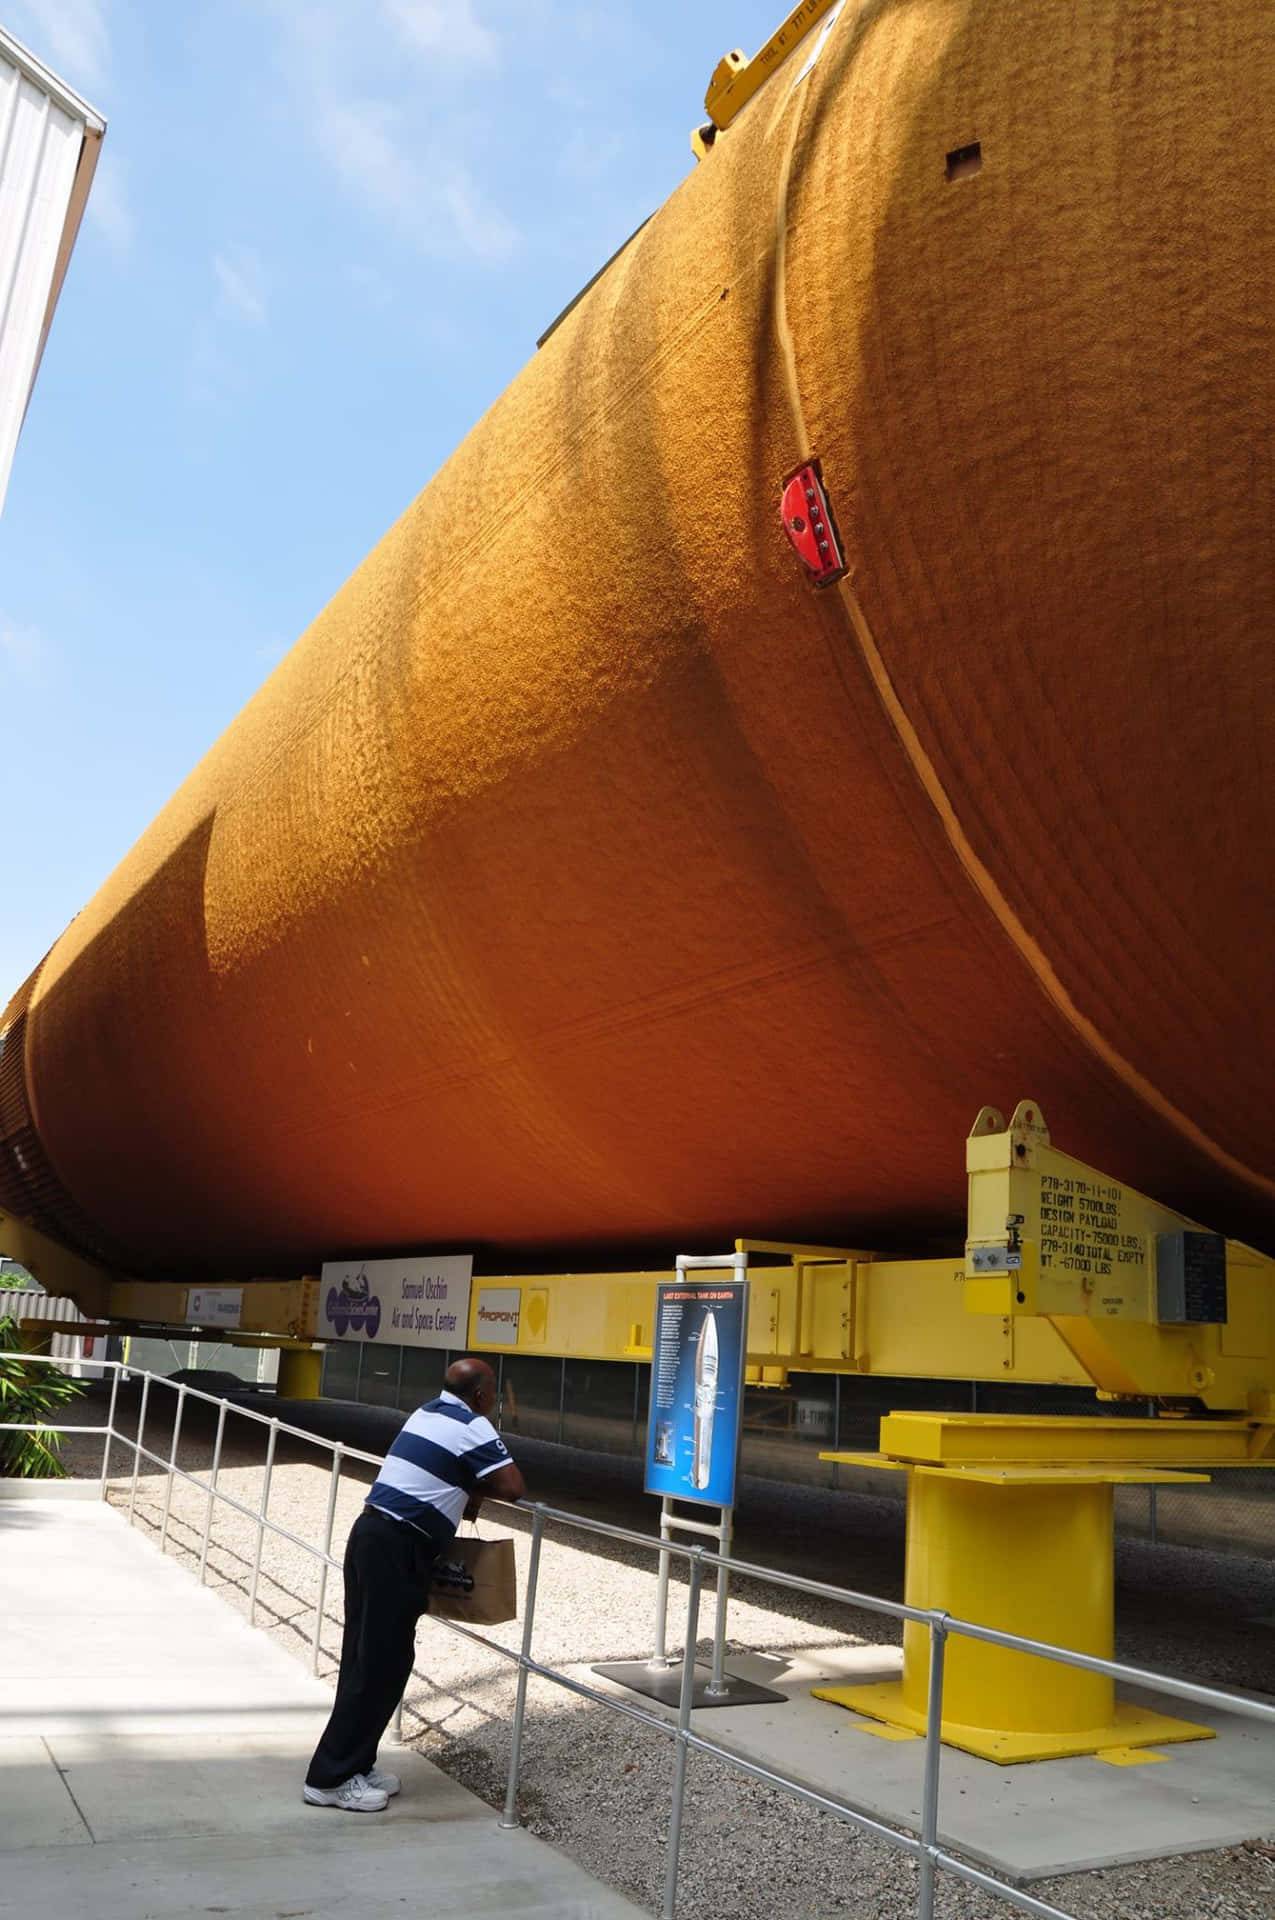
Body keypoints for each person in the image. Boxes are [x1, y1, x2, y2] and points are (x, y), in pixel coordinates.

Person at [303, 1354, 525, 1810]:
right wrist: (476, 1483)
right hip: (396, 1547)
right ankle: (328, 1777)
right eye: (494, 1394)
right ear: (482, 1395)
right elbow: (513, 1486)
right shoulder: (472, 1426)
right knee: (381, 1662)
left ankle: (356, 1763)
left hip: (369, 1535)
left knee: (368, 1658)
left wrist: (467, 1486)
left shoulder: (426, 1412)